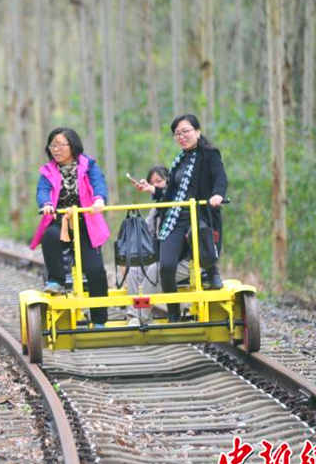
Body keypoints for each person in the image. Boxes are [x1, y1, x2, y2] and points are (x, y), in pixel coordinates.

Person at [134, 113, 227, 321]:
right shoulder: (179, 160)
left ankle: (212, 272)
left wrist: (218, 194)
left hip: (200, 214)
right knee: (166, 266)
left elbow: (220, 177)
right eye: (177, 133)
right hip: (176, 219)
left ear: (197, 132)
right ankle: (174, 313)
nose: (181, 136)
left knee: (201, 239)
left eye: (186, 131)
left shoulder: (209, 154)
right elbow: (170, 194)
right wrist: (153, 191)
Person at [29, 127, 111, 326]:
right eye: (52, 145)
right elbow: (43, 190)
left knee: (95, 270)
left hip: (86, 222)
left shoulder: (88, 165)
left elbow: (98, 183)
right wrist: (46, 204)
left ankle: (99, 319)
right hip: (60, 220)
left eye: (60, 145)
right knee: (49, 236)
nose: (56, 149)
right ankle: (56, 280)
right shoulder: (48, 171)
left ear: (72, 146)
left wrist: (99, 200)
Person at [123, 166, 189, 323]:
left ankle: (141, 316)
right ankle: (134, 315)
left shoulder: (181, 206)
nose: (156, 186)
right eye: (153, 183)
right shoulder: (156, 210)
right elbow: (146, 233)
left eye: (159, 181)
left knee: (154, 270)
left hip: (185, 262)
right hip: (163, 259)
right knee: (135, 271)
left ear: (169, 181)